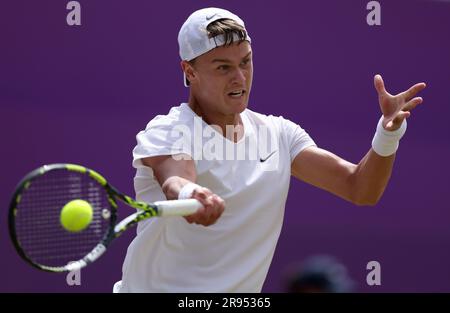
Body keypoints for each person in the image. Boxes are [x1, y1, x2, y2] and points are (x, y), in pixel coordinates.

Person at [113, 7, 426, 292]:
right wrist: (189, 194)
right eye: (223, 67)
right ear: (189, 71)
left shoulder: (280, 135)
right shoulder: (170, 129)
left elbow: (360, 188)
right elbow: (175, 178)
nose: (239, 77)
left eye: (245, 61)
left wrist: (388, 135)